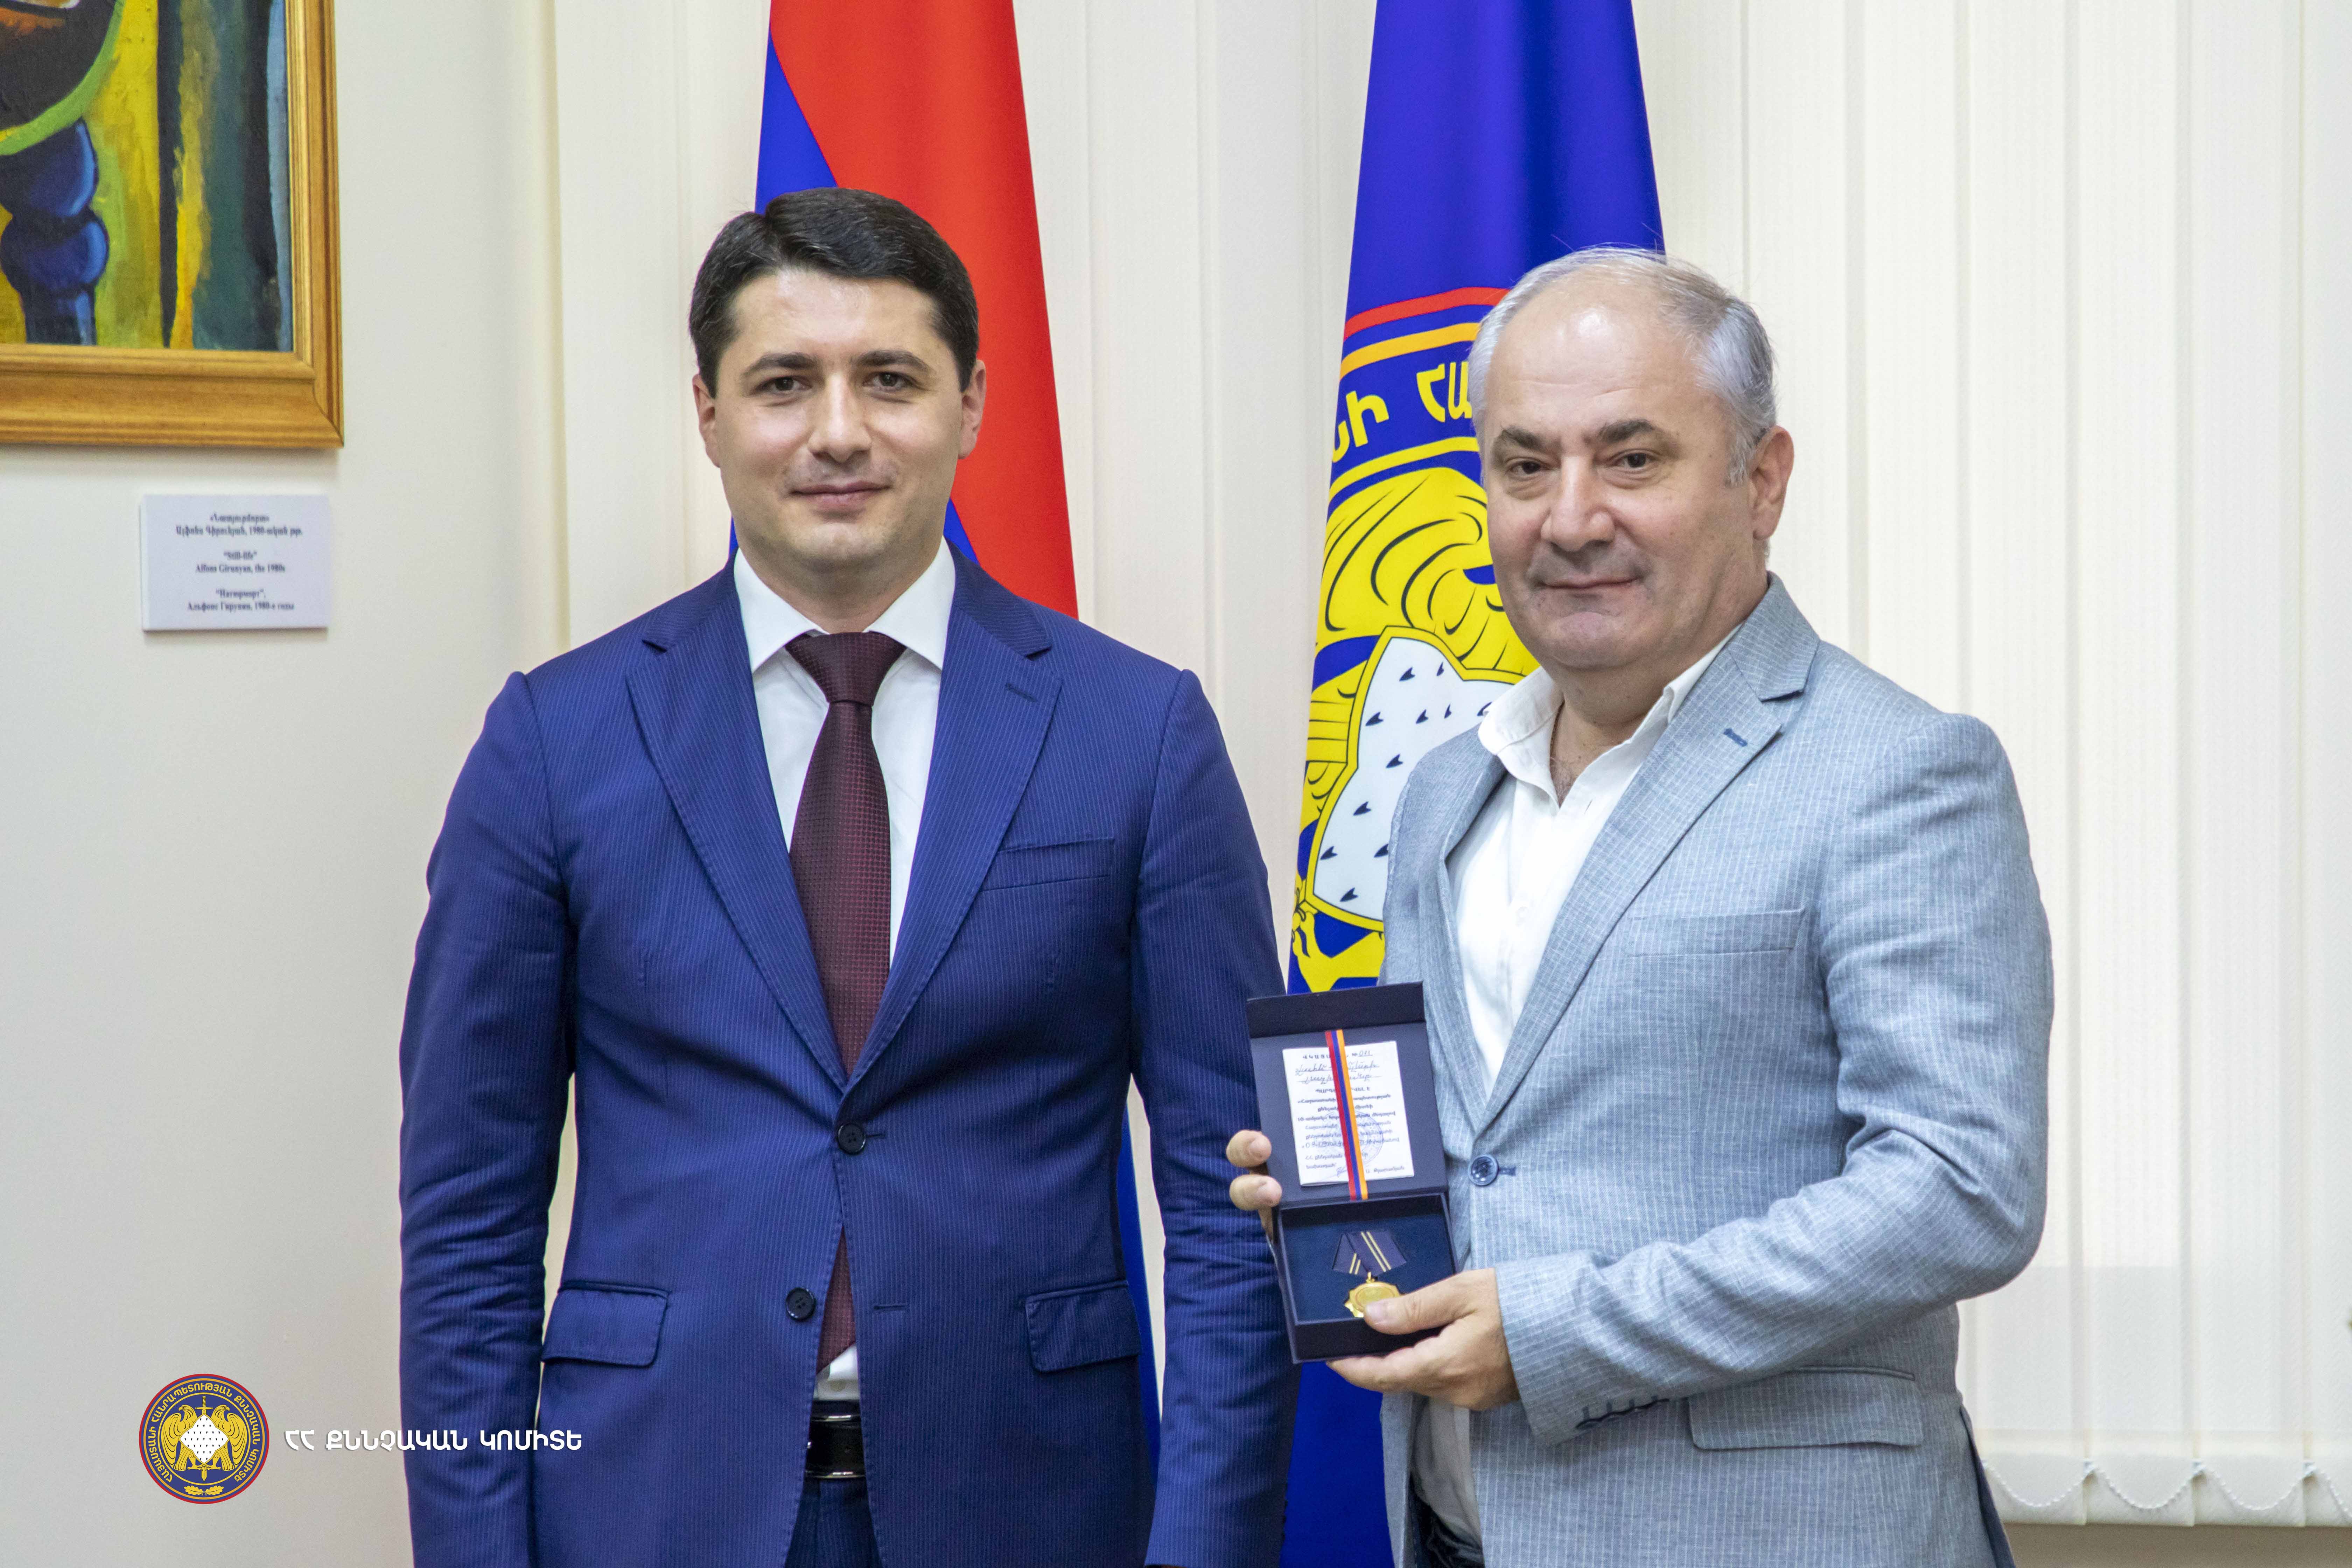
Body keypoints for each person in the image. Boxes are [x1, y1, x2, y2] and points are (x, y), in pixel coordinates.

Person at [399, 188, 1295, 1568]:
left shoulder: (1138, 733)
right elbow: (470, 1219)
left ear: (971, 404)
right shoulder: (556, 741)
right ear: (708, 413)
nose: (837, 431)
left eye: (889, 379)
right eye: (782, 384)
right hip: (652, 1504)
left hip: (1032, 1508)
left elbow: (1235, 1206)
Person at [1228, 248, 2048, 1568]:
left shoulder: (1897, 772)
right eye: (1524, 465)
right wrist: (1342, 1192)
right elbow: (1501, 1154)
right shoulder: (1444, 789)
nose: (1570, 517)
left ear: (1762, 480)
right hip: (1454, 1529)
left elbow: (1961, 1189)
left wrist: (1564, 1333)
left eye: (1632, 459)